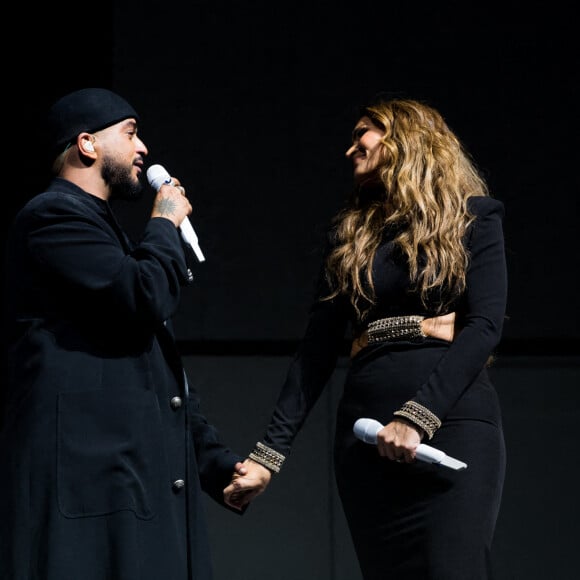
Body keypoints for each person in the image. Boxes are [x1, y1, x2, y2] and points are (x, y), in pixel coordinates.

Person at [225, 96, 507, 579]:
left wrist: (417, 418)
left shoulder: (474, 218)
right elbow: (315, 353)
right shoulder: (351, 237)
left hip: (453, 428)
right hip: (363, 442)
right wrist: (267, 456)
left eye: (364, 134)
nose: (351, 148)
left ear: (406, 139)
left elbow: (484, 327)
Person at [0, 87, 254, 580]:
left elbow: (154, 370)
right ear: (88, 144)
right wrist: (162, 223)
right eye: (131, 133)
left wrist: (214, 464)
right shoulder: (51, 218)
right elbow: (144, 296)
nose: (143, 149)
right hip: (95, 496)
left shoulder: (108, 233)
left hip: (131, 485)